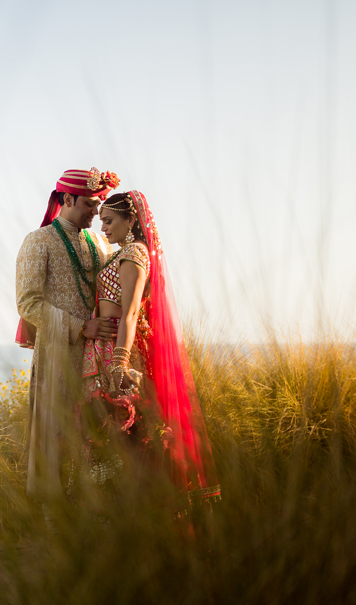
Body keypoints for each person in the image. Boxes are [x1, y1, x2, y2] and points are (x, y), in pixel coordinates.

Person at [80, 190, 221, 515]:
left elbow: (129, 313)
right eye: (101, 222)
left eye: (110, 221)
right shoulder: (125, 254)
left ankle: (142, 520)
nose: (104, 228)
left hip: (119, 352)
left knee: (132, 442)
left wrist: (119, 363)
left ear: (131, 219)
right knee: (118, 443)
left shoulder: (133, 254)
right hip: (108, 349)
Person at [15, 167, 121, 501]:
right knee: (57, 431)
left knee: (97, 432)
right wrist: (79, 327)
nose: (96, 212)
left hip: (97, 357)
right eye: (90, 204)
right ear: (67, 199)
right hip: (58, 354)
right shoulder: (38, 241)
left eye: (99, 204)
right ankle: (54, 519)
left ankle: (93, 511)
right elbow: (27, 303)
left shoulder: (98, 242)